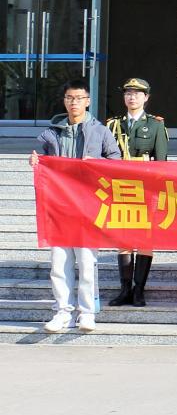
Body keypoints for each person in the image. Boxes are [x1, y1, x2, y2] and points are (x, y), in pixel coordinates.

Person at [32, 79, 121, 333]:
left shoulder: (100, 131)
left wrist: (98, 164)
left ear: (88, 101)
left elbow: (116, 161)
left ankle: (87, 313)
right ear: (64, 101)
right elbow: (42, 159)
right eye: (70, 98)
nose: (74, 102)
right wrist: (36, 160)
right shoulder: (52, 132)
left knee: (86, 261)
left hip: (87, 205)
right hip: (59, 205)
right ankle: (63, 312)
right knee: (59, 262)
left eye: (79, 98)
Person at [104, 78, 168, 307]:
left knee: (145, 239)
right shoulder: (113, 125)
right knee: (123, 238)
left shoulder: (156, 125)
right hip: (121, 188)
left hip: (146, 188)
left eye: (137, 94)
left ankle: (139, 290)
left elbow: (161, 163)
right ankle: (125, 289)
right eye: (128, 93)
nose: (132, 97)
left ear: (146, 97)